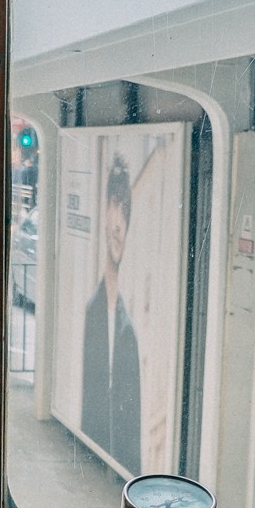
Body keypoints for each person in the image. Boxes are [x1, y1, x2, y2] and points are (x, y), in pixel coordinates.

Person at [81, 153, 143, 474]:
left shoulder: (127, 327)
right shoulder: (94, 311)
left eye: (125, 211)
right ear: (104, 211)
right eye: (114, 206)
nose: (119, 223)